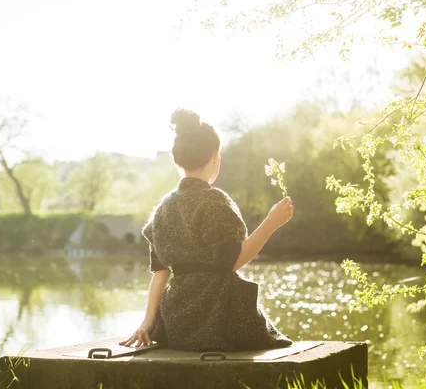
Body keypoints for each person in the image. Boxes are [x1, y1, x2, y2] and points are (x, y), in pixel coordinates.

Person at [119, 108, 294, 351]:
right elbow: (232, 261)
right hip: (221, 317)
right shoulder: (215, 201)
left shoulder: (163, 209)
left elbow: (160, 274)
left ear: (176, 159)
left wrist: (147, 322)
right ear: (215, 157)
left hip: (175, 324)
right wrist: (271, 222)